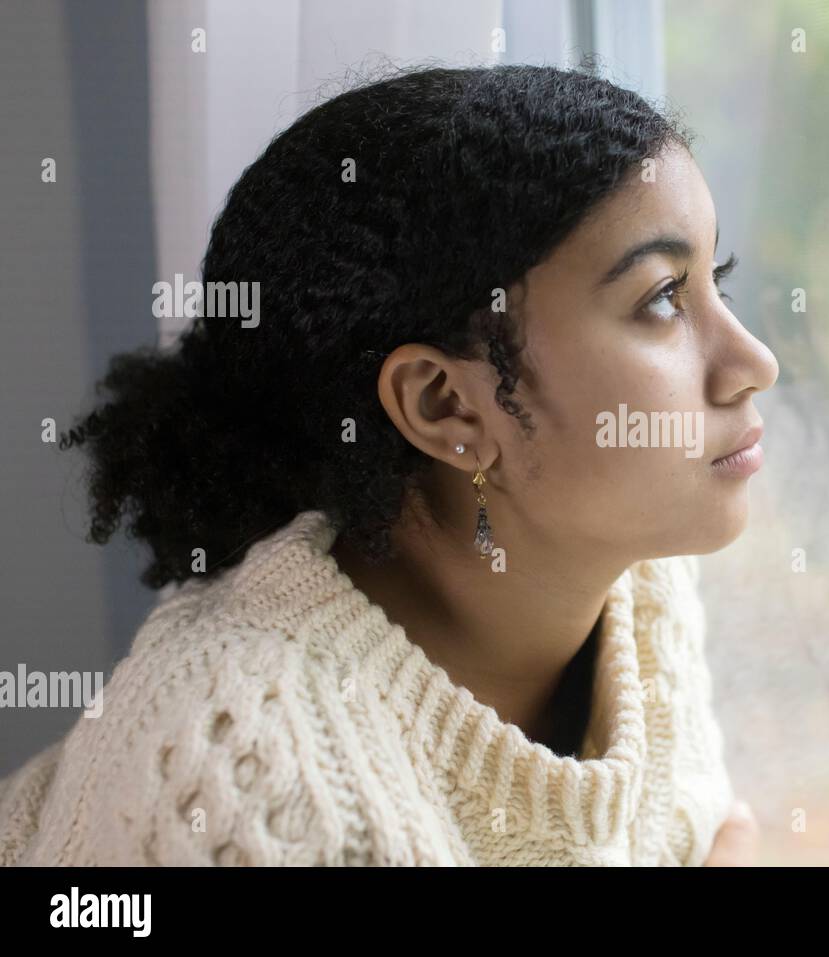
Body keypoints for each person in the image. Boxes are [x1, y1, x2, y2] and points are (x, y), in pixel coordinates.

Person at [0, 63, 777, 866]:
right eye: (660, 298)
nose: (754, 362)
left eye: (714, 279)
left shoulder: (640, 588)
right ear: (447, 405)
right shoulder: (269, 778)